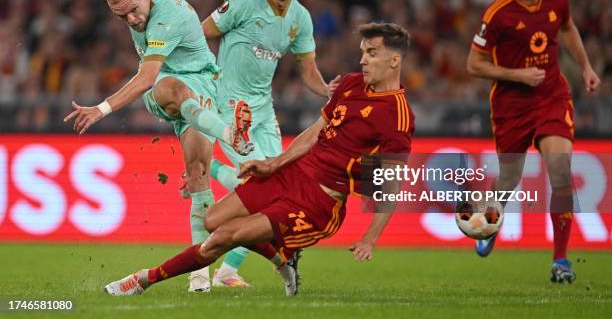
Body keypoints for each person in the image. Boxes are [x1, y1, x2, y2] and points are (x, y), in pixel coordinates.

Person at [103, 22, 414, 296]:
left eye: (372, 53)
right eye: (363, 52)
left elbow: (391, 185)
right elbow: (314, 132)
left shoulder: (396, 116)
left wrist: (370, 239)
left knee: (223, 237)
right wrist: (272, 164)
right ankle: (283, 261)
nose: (363, 59)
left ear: (394, 60)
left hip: (319, 201)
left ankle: (143, 280)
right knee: (212, 221)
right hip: (291, 173)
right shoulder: (350, 84)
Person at [64, 0, 254, 293]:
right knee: (172, 87)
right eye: (123, 15)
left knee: (198, 174)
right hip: (174, 88)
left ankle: (199, 281)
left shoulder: (167, 19)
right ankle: (229, 132)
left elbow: (145, 77)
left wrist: (101, 108)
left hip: (203, 83)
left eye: (135, 10)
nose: (134, 19)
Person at [200, 0, 340, 287]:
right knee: (261, 186)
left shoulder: (300, 18)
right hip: (232, 108)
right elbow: (202, 33)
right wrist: (204, 82)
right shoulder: (242, 1)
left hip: (264, 110)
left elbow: (308, 69)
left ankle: (228, 271)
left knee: (279, 187)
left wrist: (327, 92)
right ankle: (208, 169)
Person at [466, 0, 600, 283]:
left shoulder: (558, 0)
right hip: (511, 104)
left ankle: (561, 260)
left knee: (560, 171)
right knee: (509, 179)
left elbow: (567, 28)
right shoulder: (498, 13)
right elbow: (473, 64)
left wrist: (585, 67)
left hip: (551, 96)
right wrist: (517, 75)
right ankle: (492, 222)